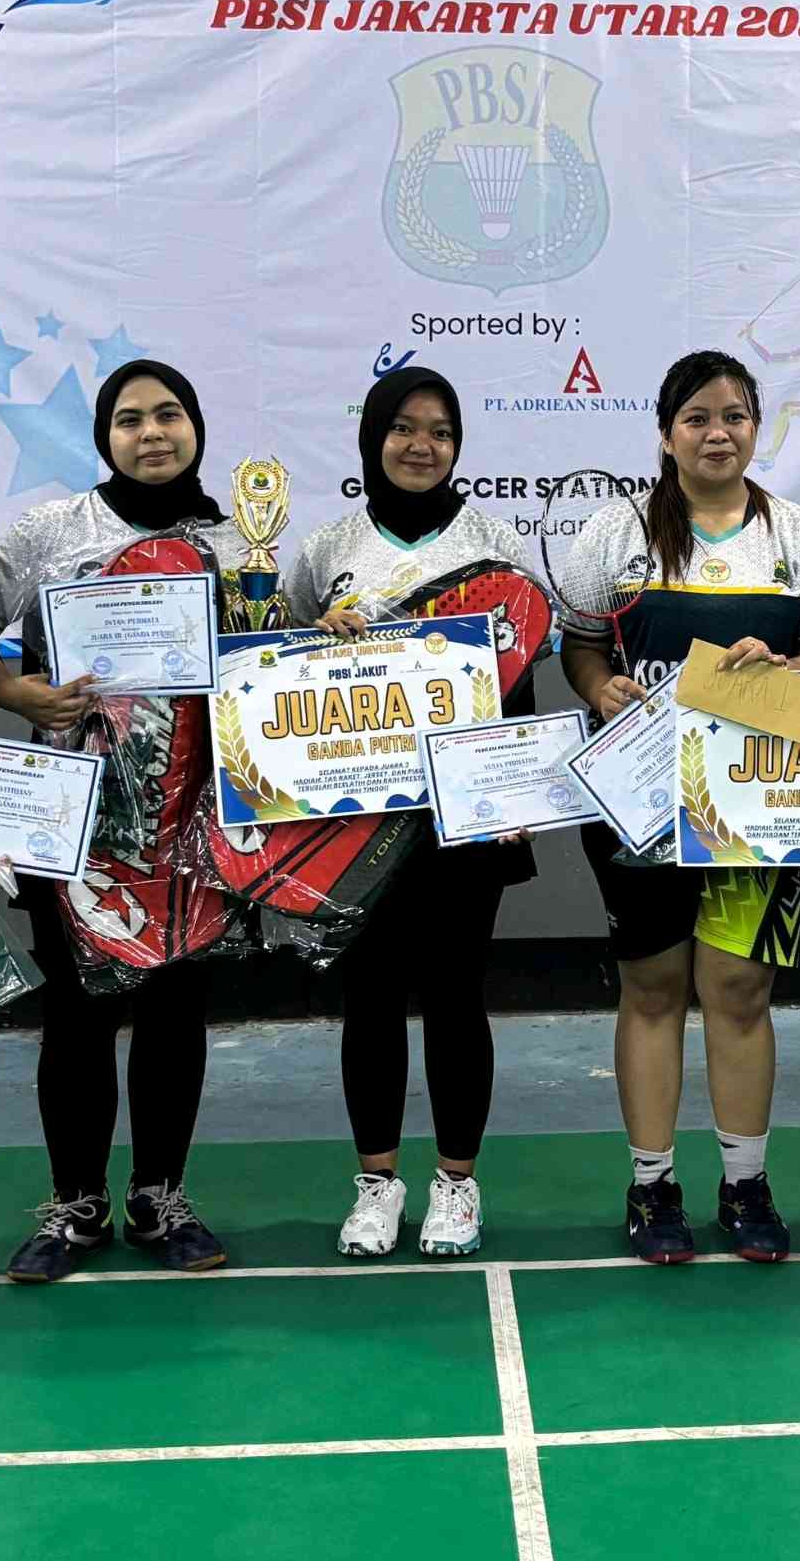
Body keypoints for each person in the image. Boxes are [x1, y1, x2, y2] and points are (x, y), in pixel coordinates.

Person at [560, 350, 800, 1265]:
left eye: (734, 416)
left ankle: (745, 1183)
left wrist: (788, 669)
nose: (717, 433)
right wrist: (599, 686)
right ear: (665, 434)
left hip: (759, 804)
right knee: (652, 989)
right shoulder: (614, 534)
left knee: (740, 988)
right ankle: (652, 1186)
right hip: (640, 802)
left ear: (756, 427)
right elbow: (579, 646)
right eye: (697, 418)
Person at [0, 360, 247, 1284]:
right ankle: (77, 1204)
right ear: (104, 437)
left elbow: (269, 660)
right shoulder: (52, 533)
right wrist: (13, 689)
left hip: (195, 822)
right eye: (130, 419)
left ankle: (160, 1196)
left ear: (195, 426)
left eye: (169, 414)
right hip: (74, 821)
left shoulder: (237, 540)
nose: (152, 433)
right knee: (77, 1017)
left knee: (175, 1013)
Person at [285, 367, 536, 1259]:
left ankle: (457, 1185)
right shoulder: (328, 548)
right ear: (373, 439)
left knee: (458, 996)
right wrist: (318, 636)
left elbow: (518, 678)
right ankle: (377, 1185)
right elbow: (287, 673)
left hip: (462, 817)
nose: (422, 446)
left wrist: (508, 794)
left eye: (440, 430)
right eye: (403, 427)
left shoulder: (496, 543)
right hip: (357, 820)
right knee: (370, 997)